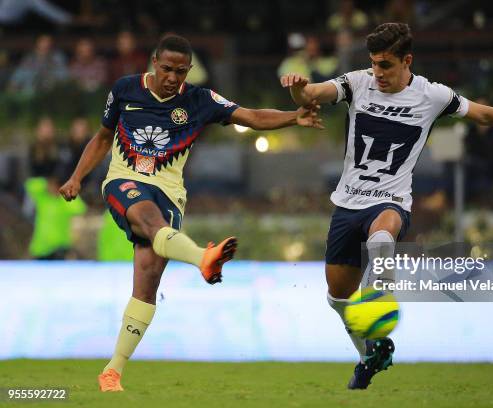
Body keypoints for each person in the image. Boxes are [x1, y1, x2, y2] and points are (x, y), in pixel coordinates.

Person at [280, 22, 493, 390]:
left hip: (391, 200)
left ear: (407, 60)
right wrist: (298, 89)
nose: (378, 73)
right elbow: (311, 94)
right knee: (337, 297)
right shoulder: (356, 82)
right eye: (374, 63)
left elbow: (483, 113)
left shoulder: (433, 95)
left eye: (386, 65)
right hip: (347, 203)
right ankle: (370, 354)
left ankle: (378, 299)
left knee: (382, 235)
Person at [59, 34, 322, 392]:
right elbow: (103, 137)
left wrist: (295, 117)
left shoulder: (200, 100)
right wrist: (76, 177)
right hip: (124, 181)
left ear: (189, 71)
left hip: (170, 193)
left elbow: (253, 116)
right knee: (149, 221)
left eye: (181, 72)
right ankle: (203, 257)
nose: (172, 77)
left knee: (148, 281)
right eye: (167, 69)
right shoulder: (124, 89)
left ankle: (112, 372)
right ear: (154, 62)